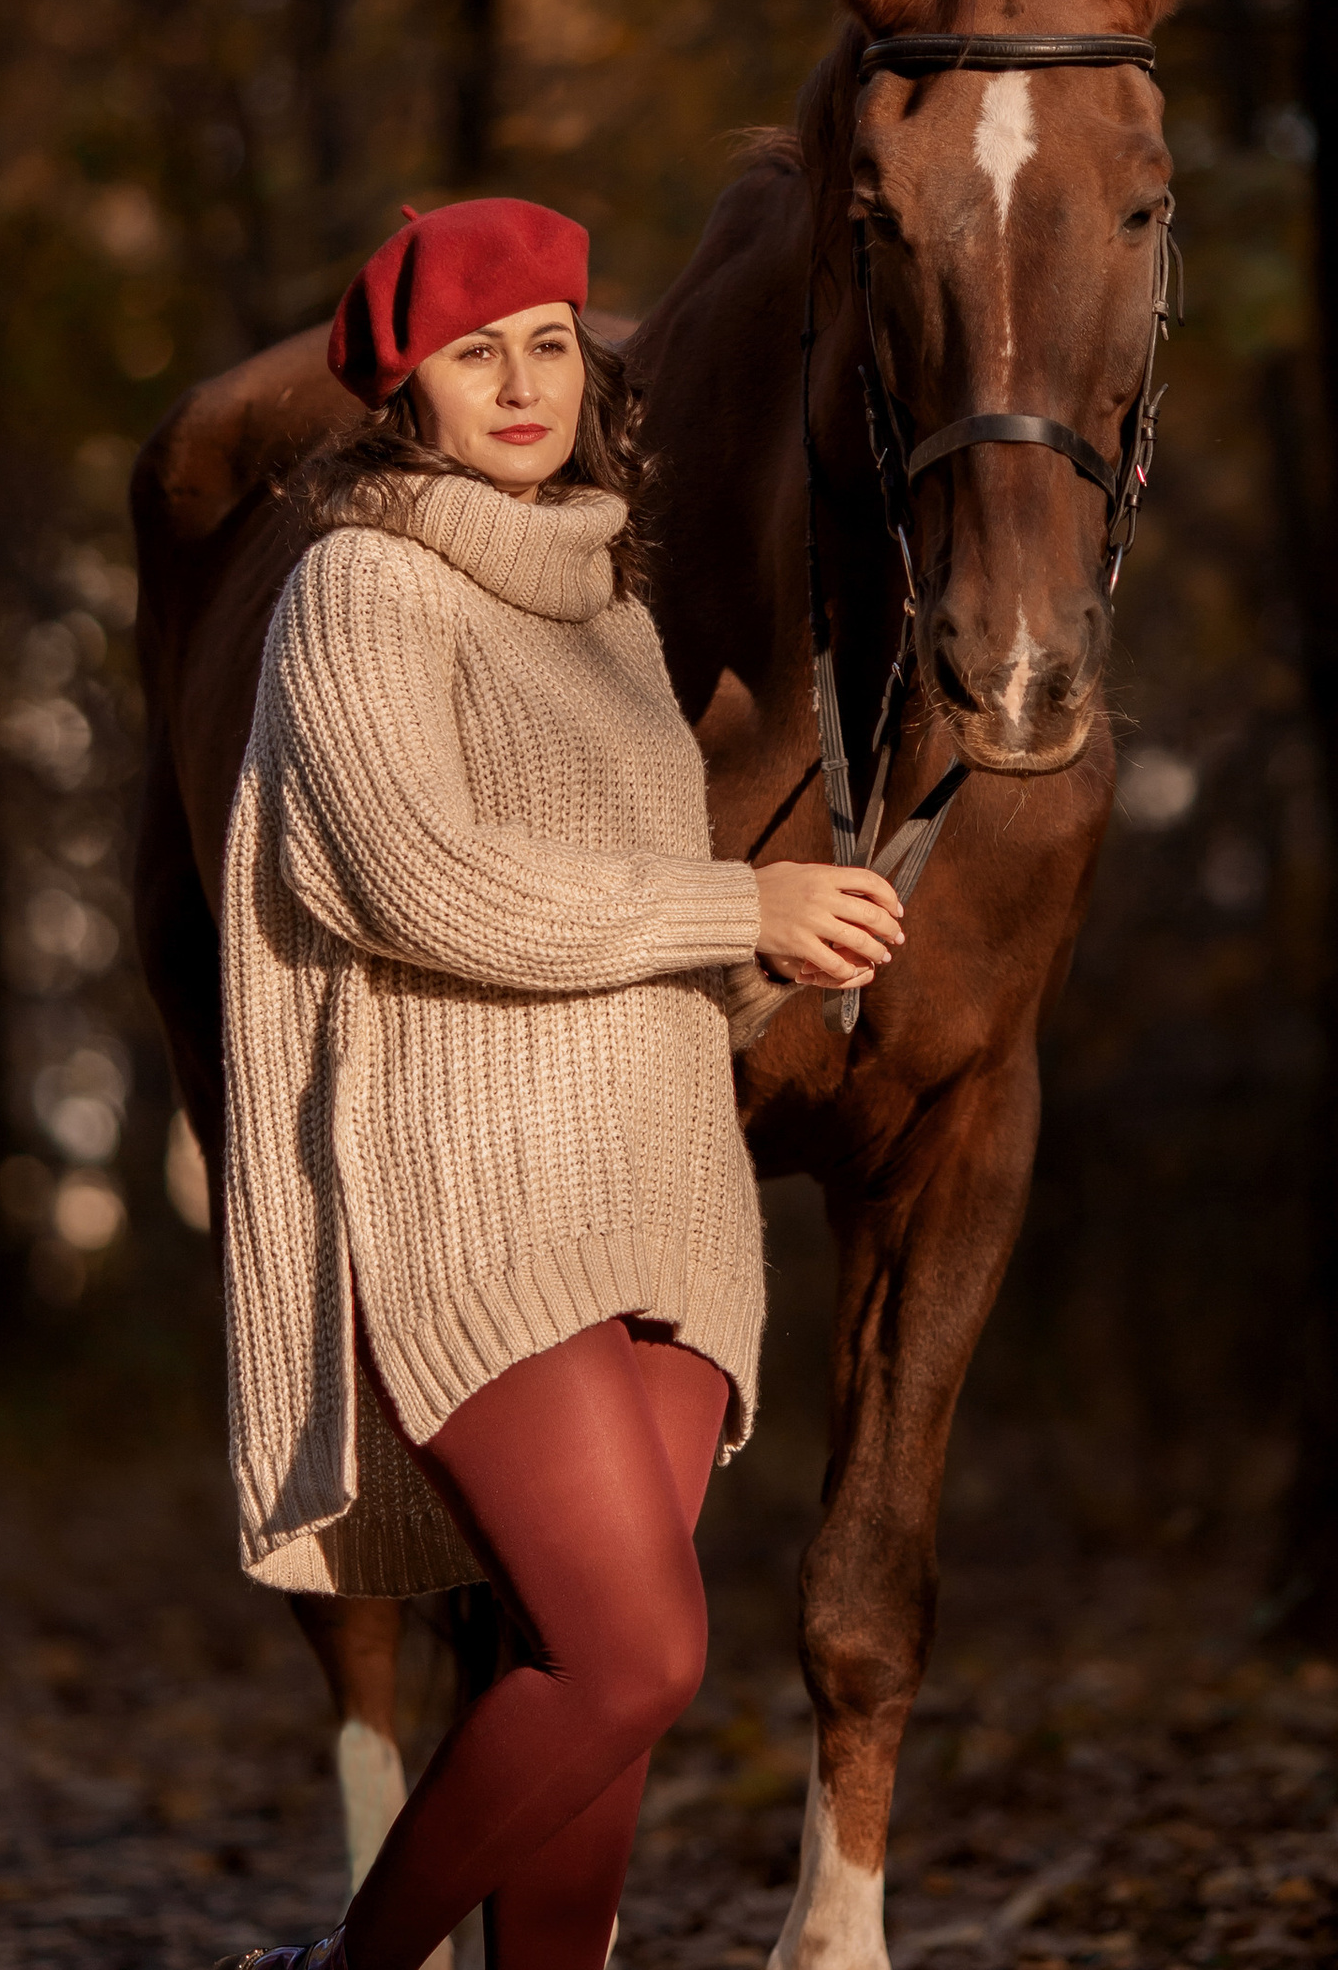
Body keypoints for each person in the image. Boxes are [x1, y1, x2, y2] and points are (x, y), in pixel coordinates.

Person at [212, 197, 903, 1970]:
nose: (523, 386)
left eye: (548, 347)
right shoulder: (361, 585)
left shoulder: (607, 611)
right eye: (475, 355)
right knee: (635, 1655)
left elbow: (622, 930)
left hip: (667, 1200)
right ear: (405, 390)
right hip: (479, 1196)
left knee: (591, 1684)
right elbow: (420, 885)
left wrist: (779, 954)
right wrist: (734, 903)